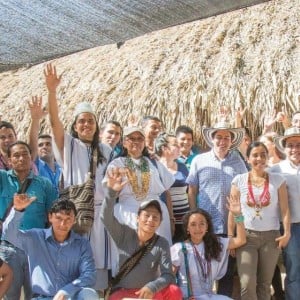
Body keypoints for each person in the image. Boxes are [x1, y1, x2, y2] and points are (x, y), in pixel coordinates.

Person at [44, 63, 112, 291]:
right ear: (75, 125)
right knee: (73, 264)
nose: (86, 124)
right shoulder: (69, 147)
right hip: (75, 216)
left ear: (96, 125)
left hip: (101, 218)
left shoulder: (106, 150)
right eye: (81, 121)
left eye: (90, 120)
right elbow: (54, 123)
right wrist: (52, 91)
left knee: (99, 267)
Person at [101, 167, 182, 300]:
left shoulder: (161, 243)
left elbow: (168, 275)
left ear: (160, 222)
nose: (150, 220)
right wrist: (111, 193)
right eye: (147, 215)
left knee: (174, 291)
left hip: (149, 293)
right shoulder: (124, 234)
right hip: (124, 292)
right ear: (137, 218)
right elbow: (105, 217)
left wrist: (153, 286)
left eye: (155, 217)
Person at [187, 121, 248, 297]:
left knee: (227, 272)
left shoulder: (238, 162)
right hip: (205, 225)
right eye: (219, 137)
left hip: (230, 225)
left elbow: (244, 189)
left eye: (227, 138)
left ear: (231, 141)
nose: (223, 141)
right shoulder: (199, 160)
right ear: (212, 139)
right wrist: (194, 216)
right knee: (203, 268)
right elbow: (192, 190)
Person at [2, 196, 98, 300]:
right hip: (42, 297)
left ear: (74, 220)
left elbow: (89, 275)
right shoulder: (35, 237)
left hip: (71, 297)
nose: (63, 224)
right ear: (50, 217)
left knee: (89, 294)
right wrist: (17, 210)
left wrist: (66, 291)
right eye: (59, 218)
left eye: (68, 219)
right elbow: (9, 235)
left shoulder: (82, 244)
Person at [229, 141, 290, 300]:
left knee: (264, 284)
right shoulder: (239, 180)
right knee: (247, 282)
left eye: (263, 155)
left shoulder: (278, 180)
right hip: (246, 237)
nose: (259, 158)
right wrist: (231, 237)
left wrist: (287, 233)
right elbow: (233, 211)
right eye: (255, 155)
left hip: (271, 238)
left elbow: (284, 209)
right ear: (248, 159)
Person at [0, 141, 57, 300]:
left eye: (25, 154)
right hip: (8, 248)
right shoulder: (2, 178)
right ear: (9, 160)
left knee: (36, 294)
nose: (21, 158)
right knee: (10, 294)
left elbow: (53, 215)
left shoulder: (44, 184)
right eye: (16, 155)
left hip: (36, 248)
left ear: (31, 157)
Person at [105, 126, 175, 246]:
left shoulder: (153, 162)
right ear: (124, 142)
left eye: (140, 139)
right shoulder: (117, 163)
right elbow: (111, 191)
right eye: (132, 138)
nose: (136, 142)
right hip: (127, 213)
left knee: (158, 252)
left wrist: (171, 218)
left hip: (156, 213)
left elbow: (166, 191)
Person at [171, 194, 246, 299]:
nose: (198, 228)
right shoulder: (179, 249)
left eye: (202, 224)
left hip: (209, 296)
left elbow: (241, 240)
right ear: (187, 228)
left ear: (207, 226)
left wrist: (238, 215)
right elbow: (169, 278)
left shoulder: (215, 243)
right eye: (193, 224)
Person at [270, 127, 300, 300]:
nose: (295, 149)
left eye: (298, 145)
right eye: (290, 145)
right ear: (284, 147)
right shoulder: (275, 170)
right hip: (290, 228)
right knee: (293, 269)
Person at [155, 132, 190, 242]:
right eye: (175, 144)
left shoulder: (182, 166)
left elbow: (189, 191)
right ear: (164, 148)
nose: (179, 147)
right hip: (166, 219)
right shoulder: (156, 168)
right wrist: (171, 219)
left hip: (184, 218)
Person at [28, 96, 62, 193]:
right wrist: (35, 119)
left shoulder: (62, 168)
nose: (44, 147)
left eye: (48, 144)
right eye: (40, 145)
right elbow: (32, 142)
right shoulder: (36, 166)